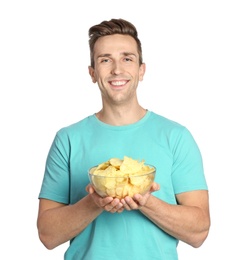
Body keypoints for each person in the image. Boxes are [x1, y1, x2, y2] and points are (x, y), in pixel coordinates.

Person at [37, 18, 210, 260]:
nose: (117, 69)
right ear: (92, 73)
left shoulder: (176, 137)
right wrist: (95, 202)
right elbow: (47, 235)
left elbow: (199, 232)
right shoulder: (67, 139)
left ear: (141, 70)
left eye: (127, 58)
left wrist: (145, 201)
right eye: (105, 60)